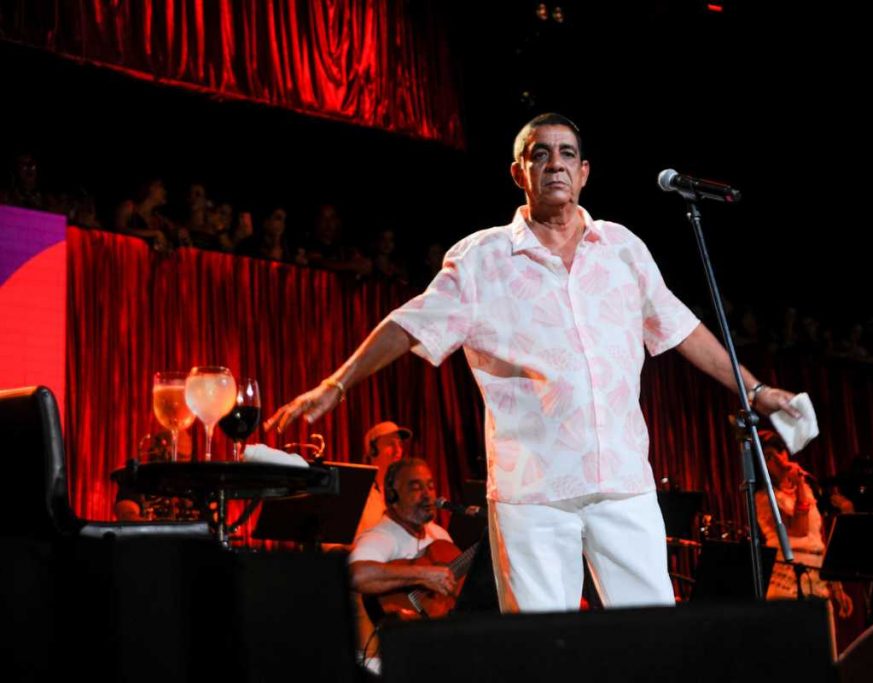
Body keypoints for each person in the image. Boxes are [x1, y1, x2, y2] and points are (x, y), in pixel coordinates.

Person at [266, 112, 800, 613]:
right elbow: (410, 324)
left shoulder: (622, 249)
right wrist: (336, 384)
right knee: (545, 650)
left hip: (623, 480)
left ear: (584, 172)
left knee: (655, 636)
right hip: (534, 493)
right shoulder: (482, 258)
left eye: (567, 154)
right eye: (539, 154)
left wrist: (755, 390)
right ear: (519, 171)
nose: (555, 164)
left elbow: (682, 329)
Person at [348, 458, 456, 673]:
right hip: (383, 662)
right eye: (415, 487)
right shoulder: (380, 536)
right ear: (392, 496)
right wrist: (422, 575)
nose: (427, 494)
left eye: (431, 486)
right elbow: (355, 575)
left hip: (433, 646)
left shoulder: (439, 535)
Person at [754, 430, 852, 619]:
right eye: (768, 457)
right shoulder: (765, 498)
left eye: (780, 452)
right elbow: (798, 530)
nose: (779, 460)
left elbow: (818, 538)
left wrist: (837, 588)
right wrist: (798, 484)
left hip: (817, 576)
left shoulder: (806, 489)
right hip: (789, 579)